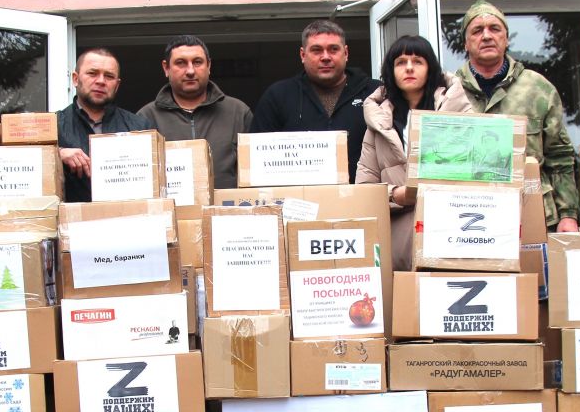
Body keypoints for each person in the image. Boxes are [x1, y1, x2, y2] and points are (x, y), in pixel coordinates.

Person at [456, 0, 580, 232]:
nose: (486, 36)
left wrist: (568, 214)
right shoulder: (450, 91)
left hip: (533, 214)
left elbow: (560, 156)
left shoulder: (538, 88)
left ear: (506, 39)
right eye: (477, 30)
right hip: (468, 218)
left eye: (494, 29)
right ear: (465, 43)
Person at [356, 34, 472, 271]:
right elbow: (364, 189)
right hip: (398, 243)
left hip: (455, 234)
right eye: (401, 62)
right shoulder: (378, 124)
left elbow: (481, 174)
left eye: (418, 61)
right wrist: (395, 195)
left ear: (430, 68)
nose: (409, 68)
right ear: (391, 70)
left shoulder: (460, 113)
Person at [250, 19, 380, 181]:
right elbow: (257, 161)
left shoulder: (375, 93)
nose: (325, 57)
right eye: (316, 50)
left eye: (333, 49)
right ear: (303, 55)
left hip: (363, 194)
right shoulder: (278, 96)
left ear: (346, 53)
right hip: (298, 196)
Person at [138, 35, 253, 190]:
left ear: (209, 66)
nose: (190, 71)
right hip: (171, 206)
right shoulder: (146, 118)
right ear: (166, 68)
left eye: (197, 62)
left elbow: (254, 176)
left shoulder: (238, 112)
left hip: (226, 205)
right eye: (181, 63)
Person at [57, 48, 155, 203]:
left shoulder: (140, 126)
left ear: (117, 85)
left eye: (109, 76)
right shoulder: (55, 125)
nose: (101, 81)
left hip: (128, 216)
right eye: (92, 73)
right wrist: (58, 154)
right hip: (73, 218)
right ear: (75, 79)